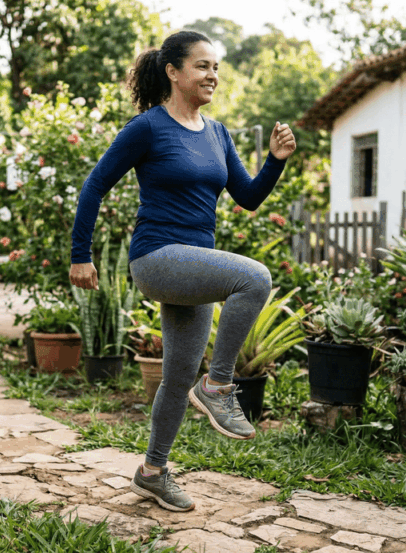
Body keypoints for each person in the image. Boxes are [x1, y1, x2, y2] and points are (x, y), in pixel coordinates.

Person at [68, 30, 296, 512]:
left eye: (216, 67)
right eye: (202, 66)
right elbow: (95, 185)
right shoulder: (147, 128)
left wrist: (274, 163)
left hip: (192, 267)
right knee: (253, 277)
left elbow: (248, 198)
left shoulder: (217, 134)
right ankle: (217, 387)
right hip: (156, 258)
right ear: (173, 72)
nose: (212, 75)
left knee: (176, 378)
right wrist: (80, 255)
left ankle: (152, 471)